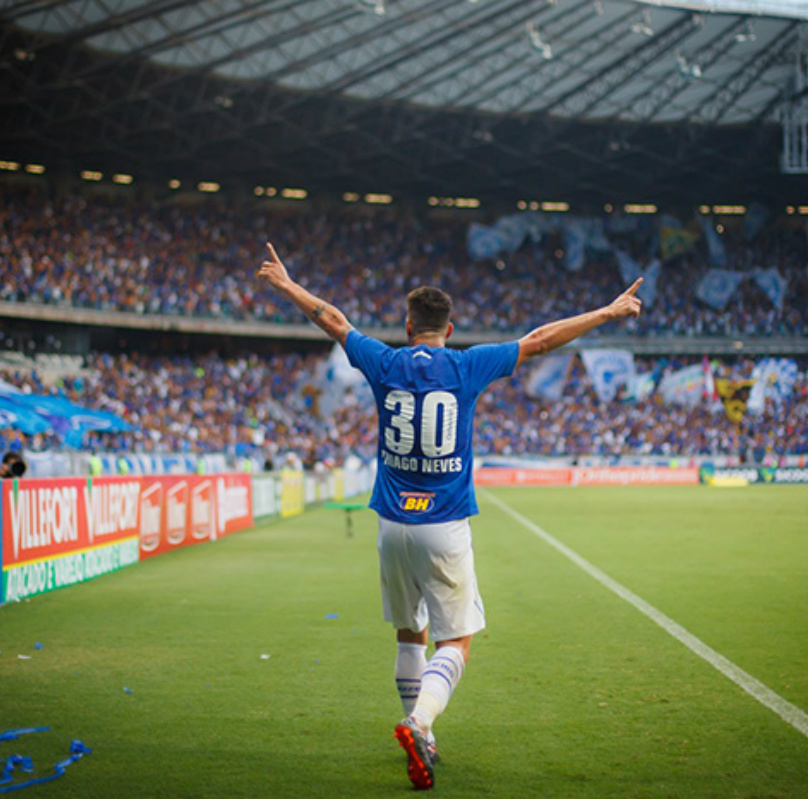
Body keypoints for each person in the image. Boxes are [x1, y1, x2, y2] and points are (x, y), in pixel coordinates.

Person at [256, 242, 643, 791]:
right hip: (444, 524)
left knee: (408, 633)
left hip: (392, 524)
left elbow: (333, 321)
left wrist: (286, 284)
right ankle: (419, 724)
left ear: (408, 326)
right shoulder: (467, 365)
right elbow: (539, 340)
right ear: (450, 328)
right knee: (456, 642)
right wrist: (607, 311)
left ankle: (424, 736)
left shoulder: (384, 361)